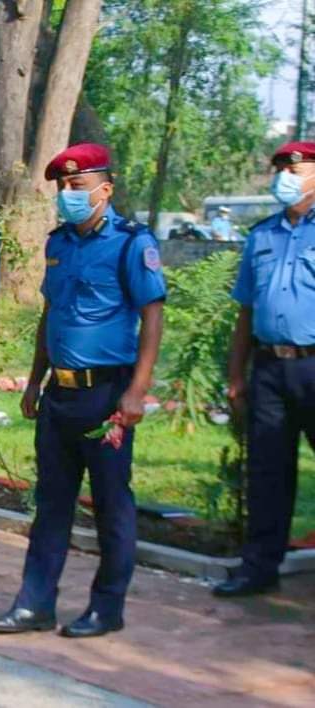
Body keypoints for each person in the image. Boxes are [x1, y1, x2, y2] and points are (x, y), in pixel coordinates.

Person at [0, 143, 166, 639]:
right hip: (59, 397)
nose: (67, 194)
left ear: (104, 190)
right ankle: (34, 603)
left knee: (111, 504)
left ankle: (107, 608)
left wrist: (137, 391)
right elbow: (51, 314)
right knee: (52, 504)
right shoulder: (59, 243)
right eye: (63, 187)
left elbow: (152, 315)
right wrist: (35, 378)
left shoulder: (131, 243)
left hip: (107, 396)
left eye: (78, 186)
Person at [213, 141, 315, 597]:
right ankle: (259, 567)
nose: (285, 176)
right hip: (270, 368)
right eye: (279, 168)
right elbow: (246, 311)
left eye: (295, 167)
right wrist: (236, 376)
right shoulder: (262, 235)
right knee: (268, 471)